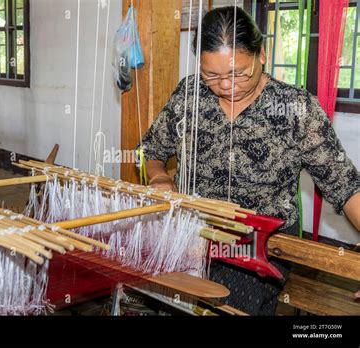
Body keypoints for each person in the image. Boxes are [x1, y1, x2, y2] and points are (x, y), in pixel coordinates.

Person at [140, 6, 360, 315]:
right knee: (165, 293)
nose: (226, 86)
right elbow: (154, 148)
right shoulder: (190, 95)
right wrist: (160, 178)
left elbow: (346, 186)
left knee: (226, 303)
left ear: (262, 55)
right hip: (193, 233)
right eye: (212, 75)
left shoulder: (296, 108)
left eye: (237, 73)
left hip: (261, 246)